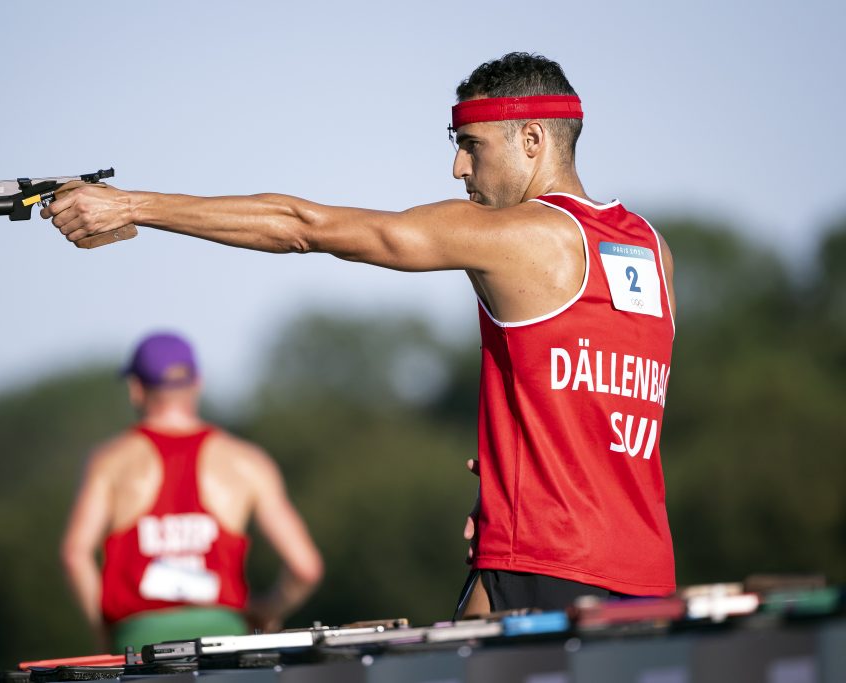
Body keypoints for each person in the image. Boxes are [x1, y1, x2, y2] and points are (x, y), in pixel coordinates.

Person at [46, 52, 677, 614]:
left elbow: (303, 227)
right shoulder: (652, 248)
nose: (457, 167)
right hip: (648, 574)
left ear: (533, 139)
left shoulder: (522, 237)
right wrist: (521, 470)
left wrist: (130, 206)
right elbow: (603, 400)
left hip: (546, 563)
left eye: (470, 144)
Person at [60, 332, 324, 652]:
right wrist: (266, 611)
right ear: (196, 383)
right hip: (225, 637)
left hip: (141, 641)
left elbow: (76, 554)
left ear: (136, 389)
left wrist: (105, 632)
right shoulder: (247, 462)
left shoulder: (111, 462)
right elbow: (306, 567)